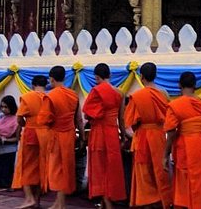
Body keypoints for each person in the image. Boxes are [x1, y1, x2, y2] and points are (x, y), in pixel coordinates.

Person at [124, 62, 172, 208]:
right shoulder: (164, 94)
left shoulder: (137, 96)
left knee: (144, 174)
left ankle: (147, 203)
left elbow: (129, 124)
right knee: (160, 172)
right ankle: (163, 203)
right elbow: (170, 118)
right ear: (155, 76)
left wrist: (133, 135)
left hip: (143, 137)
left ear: (141, 76)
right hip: (159, 137)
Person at [164, 71, 201, 209]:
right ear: (195, 85)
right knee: (199, 180)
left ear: (179, 85)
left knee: (183, 179)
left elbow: (171, 131)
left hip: (184, 146)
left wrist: (165, 154)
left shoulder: (175, 105)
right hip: (200, 144)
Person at [39, 65, 85, 209]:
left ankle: (61, 204)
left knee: (57, 169)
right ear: (64, 78)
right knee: (67, 168)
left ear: (51, 79)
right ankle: (59, 202)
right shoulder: (73, 94)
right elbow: (79, 119)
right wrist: (82, 136)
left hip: (56, 134)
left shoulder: (50, 96)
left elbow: (44, 120)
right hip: (70, 135)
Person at [82, 63, 127, 208]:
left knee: (99, 167)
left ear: (96, 77)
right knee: (112, 167)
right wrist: (124, 136)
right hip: (113, 132)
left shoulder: (96, 91)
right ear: (110, 75)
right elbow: (121, 118)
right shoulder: (120, 93)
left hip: (98, 132)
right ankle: (108, 199)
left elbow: (88, 114)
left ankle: (105, 201)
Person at [13, 75, 51, 209]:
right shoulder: (49, 98)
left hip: (31, 133)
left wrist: (27, 124)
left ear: (32, 84)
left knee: (26, 166)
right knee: (42, 167)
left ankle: (29, 198)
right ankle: (37, 200)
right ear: (46, 85)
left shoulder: (28, 97)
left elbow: (19, 119)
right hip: (46, 134)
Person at [0, 95, 20, 189]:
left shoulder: (16, 120)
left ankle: (5, 184)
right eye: (2, 107)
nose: (3, 109)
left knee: (5, 171)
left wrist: (6, 139)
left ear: (11, 107)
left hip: (9, 148)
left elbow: (17, 138)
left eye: (6, 107)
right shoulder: (0, 118)